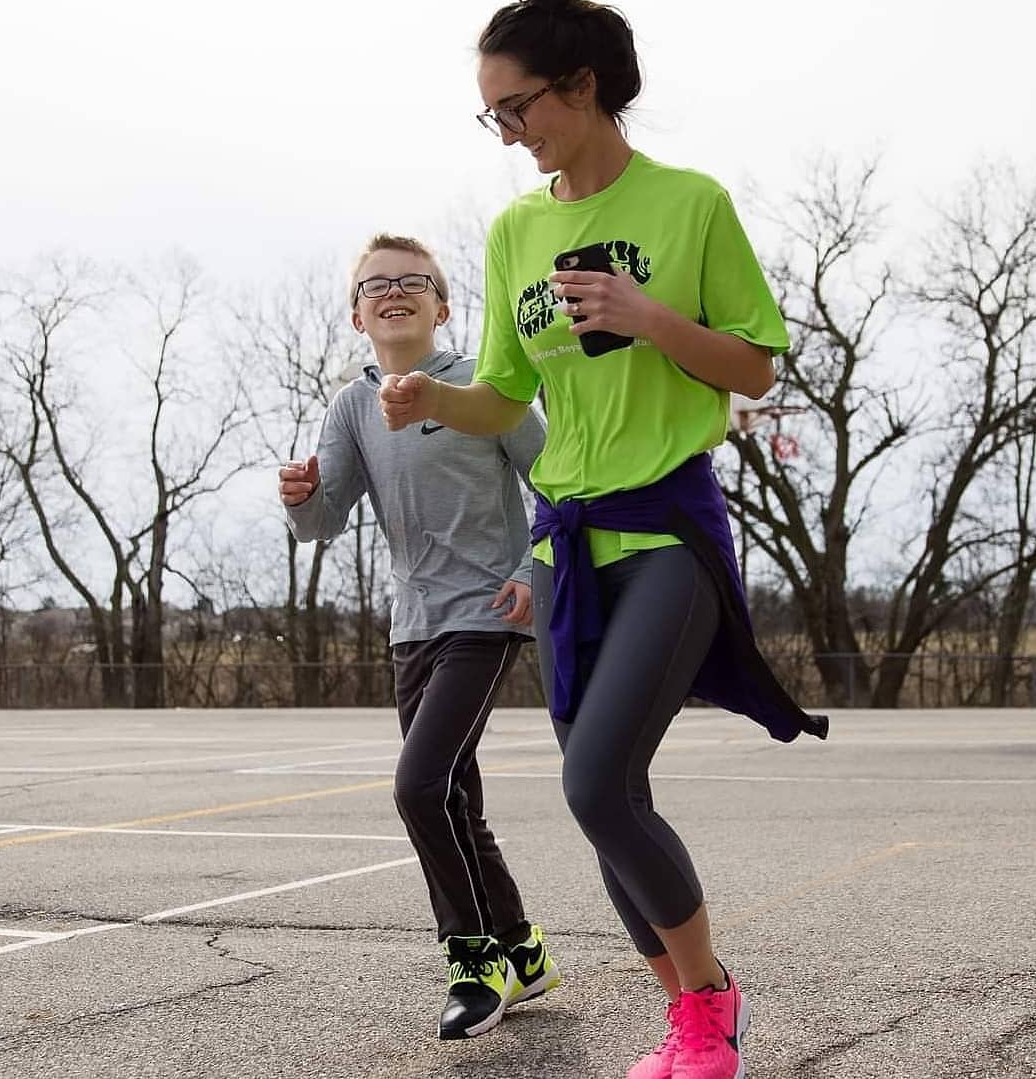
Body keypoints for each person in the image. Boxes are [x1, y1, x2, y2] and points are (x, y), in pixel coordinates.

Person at [377, 2, 829, 1076]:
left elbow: (755, 367)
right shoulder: (513, 230)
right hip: (562, 542)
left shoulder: (689, 204)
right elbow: (500, 396)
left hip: (665, 524)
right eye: (488, 117)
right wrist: (428, 399)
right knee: (605, 797)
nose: (508, 133)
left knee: (594, 783)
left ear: (580, 85)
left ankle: (710, 1004)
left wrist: (645, 314)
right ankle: (687, 1015)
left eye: (516, 107)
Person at [278, 233, 558, 1041]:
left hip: (485, 614)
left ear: (441, 304)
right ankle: (524, 948)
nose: (392, 292)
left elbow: (558, 483)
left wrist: (535, 572)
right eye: (375, 285)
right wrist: (299, 496)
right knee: (455, 797)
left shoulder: (483, 383)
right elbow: (321, 520)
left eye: (413, 281)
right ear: (356, 312)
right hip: (412, 627)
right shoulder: (351, 407)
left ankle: (473, 959)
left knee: (417, 785)